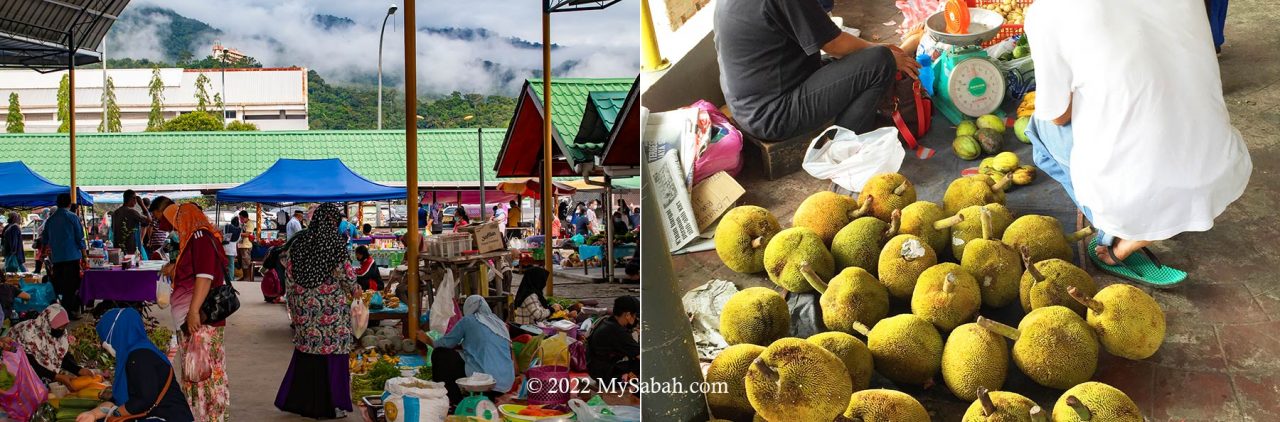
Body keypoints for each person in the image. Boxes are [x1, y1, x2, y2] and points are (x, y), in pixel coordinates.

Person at [1023, 0, 1250, 281]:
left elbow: (1058, 115)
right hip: (1217, 171)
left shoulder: (1047, 12)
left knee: (1038, 129)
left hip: (1136, 194)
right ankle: (1161, 214)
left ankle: (1114, 233)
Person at [714, 0, 918, 141]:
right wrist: (887, 53)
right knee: (880, 61)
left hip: (745, 105)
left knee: (870, 58)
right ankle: (845, 146)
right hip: (773, 113)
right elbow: (835, 45)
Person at [274, 203, 360, 419]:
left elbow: (288, 271)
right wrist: (355, 290)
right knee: (332, 354)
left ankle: (304, 403)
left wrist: (294, 303)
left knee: (308, 353)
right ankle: (332, 405)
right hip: (329, 313)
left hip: (304, 310)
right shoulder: (334, 244)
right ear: (333, 221)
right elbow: (348, 277)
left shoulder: (300, 242)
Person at [159, 203, 230, 421]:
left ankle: (208, 417)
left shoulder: (200, 236)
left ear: (184, 219)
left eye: (175, 222)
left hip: (200, 322)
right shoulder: (192, 239)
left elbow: (204, 276)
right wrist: (174, 268)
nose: (174, 228)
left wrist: (193, 312)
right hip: (193, 321)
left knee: (205, 375)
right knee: (194, 373)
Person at [76, 307, 194, 422]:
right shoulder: (137, 352)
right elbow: (116, 402)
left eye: (105, 340)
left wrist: (116, 413)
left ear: (117, 334)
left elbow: (144, 399)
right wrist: (92, 414)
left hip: (168, 416)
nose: (104, 345)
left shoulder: (140, 357)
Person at [425, 295, 515, 406]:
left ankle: (452, 401)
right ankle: (488, 397)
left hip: (484, 381)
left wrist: (427, 340)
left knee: (440, 354)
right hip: (505, 383)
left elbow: (445, 343)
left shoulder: (468, 320)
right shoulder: (500, 324)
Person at [1, 304, 92, 385]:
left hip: (34, 366)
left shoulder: (58, 332)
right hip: (15, 366)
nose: (62, 330)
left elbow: (60, 355)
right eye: (59, 327)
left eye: (64, 326)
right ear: (48, 324)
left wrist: (78, 370)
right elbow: (31, 364)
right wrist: (57, 377)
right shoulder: (29, 333)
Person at [42, 193, 87, 319]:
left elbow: (44, 239)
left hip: (57, 259)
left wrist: (44, 254)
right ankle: (68, 313)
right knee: (71, 286)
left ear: (57, 203)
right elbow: (80, 238)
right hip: (72, 258)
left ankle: (61, 311)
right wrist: (84, 256)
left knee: (60, 286)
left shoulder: (50, 220)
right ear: (69, 203)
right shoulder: (72, 217)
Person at [586, 296, 640, 387]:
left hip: (596, 371)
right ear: (627, 315)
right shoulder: (617, 331)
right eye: (635, 316)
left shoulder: (605, 321)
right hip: (608, 377)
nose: (636, 320)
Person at [111, 190, 151, 255]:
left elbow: (113, 229)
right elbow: (149, 220)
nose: (136, 202)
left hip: (118, 249)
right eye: (136, 199)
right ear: (133, 199)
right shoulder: (132, 212)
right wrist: (142, 204)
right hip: (131, 249)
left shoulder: (115, 213)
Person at [222, 211, 246, 282]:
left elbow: (224, 235)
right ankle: (231, 279)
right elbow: (239, 240)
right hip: (232, 250)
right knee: (231, 265)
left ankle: (222, 277)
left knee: (223, 264)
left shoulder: (227, 226)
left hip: (225, 248)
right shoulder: (239, 230)